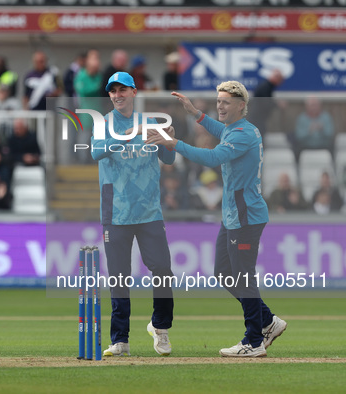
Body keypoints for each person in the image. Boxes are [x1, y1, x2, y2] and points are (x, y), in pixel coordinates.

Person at [147, 80, 287, 357]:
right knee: (224, 273)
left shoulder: (242, 135)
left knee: (243, 277)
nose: (220, 106)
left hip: (245, 216)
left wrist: (173, 143)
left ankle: (254, 341)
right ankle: (268, 321)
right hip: (234, 215)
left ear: (241, 106)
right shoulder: (236, 129)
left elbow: (213, 158)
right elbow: (219, 129)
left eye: (225, 102)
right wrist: (195, 113)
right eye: (218, 101)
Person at [92, 71, 175, 358]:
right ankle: (120, 340)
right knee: (119, 277)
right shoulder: (104, 124)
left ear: (134, 92)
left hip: (149, 210)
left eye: (122, 90)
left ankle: (161, 329)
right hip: (115, 211)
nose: (117, 95)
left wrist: (168, 142)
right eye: (112, 91)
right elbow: (95, 152)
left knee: (163, 271)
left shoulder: (151, 122)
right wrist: (127, 136)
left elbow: (168, 158)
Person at [249, 69, 285, 135]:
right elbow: (266, 103)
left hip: (258, 119)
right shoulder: (265, 87)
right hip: (257, 119)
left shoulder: (267, 86)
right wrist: (277, 104)